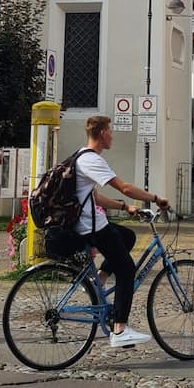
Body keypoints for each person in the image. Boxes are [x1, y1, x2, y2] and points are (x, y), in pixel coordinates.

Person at [74, 114, 170, 347]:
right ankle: (120, 329)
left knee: (128, 236)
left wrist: (124, 207)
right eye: (111, 131)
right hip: (91, 225)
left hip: (91, 222)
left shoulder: (81, 156)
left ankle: (101, 279)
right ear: (103, 133)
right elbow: (125, 187)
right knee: (127, 268)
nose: (113, 136)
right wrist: (156, 199)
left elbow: (94, 195)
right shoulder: (92, 159)